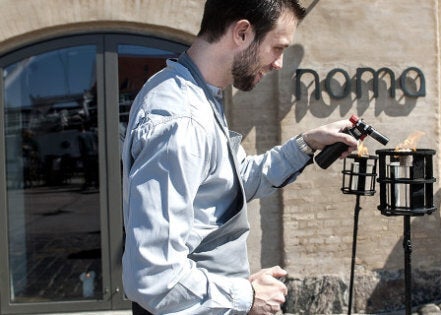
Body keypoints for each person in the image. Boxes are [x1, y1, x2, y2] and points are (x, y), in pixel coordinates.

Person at [121, 1, 358, 314]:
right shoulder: (183, 120)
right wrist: (246, 296)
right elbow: (154, 275)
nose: (278, 63)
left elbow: (237, 180)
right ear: (243, 32)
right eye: (277, 47)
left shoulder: (196, 93)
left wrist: (309, 143)